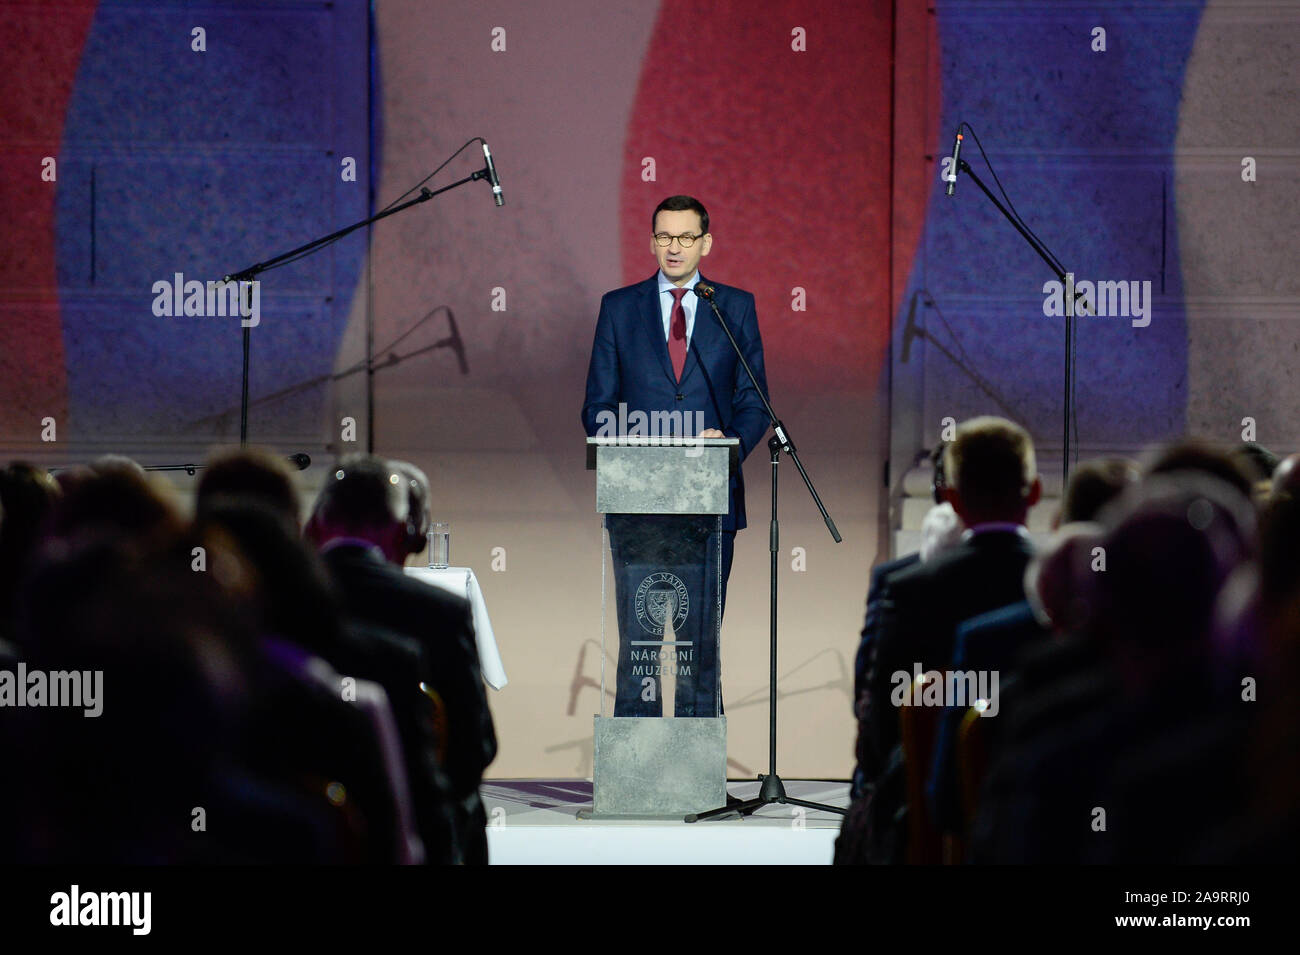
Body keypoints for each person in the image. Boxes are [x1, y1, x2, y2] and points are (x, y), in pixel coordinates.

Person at [581, 195, 770, 717]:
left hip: (710, 503)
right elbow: (597, 407)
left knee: (700, 646)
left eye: (686, 237)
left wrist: (728, 444)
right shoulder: (619, 309)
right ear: (651, 241)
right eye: (664, 236)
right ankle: (639, 767)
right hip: (638, 503)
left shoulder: (732, 307)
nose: (674, 247)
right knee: (640, 644)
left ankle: (697, 772)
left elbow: (755, 401)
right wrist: (634, 443)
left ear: (706, 243)